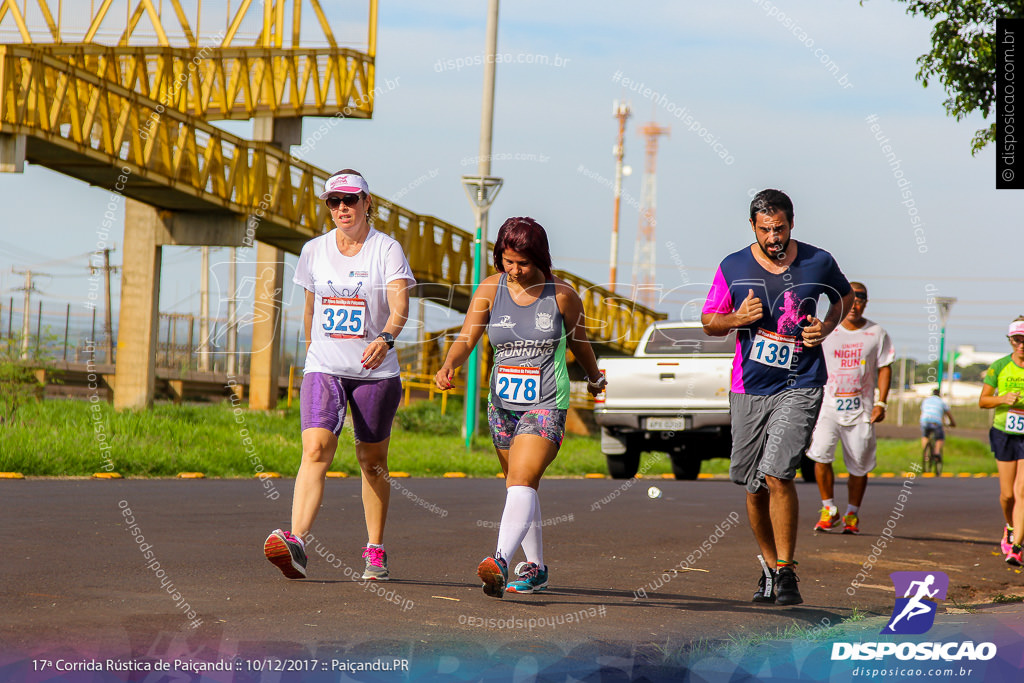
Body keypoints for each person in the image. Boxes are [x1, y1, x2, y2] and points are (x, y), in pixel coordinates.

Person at [434, 216, 606, 598]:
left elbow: (581, 344)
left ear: (540, 258)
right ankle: (536, 569)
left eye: (522, 263)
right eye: (507, 261)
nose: (514, 270)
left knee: (521, 480)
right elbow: (467, 337)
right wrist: (449, 364)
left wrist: (595, 378)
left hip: (546, 402)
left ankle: (499, 560)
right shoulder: (491, 289)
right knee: (521, 487)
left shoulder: (561, 295)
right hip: (503, 406)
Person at [701, 189, 852, 606]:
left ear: (792, 224)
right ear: (753, 226)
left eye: (780, 228)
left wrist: (826, 326)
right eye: (766, 230)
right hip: (749, 387)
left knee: (778, 471)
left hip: (801, 382)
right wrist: (736, 319)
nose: (774, 238)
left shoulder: (817, 260)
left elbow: (844, 296)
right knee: (751, 483)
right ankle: (769, 567)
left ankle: (787, 572)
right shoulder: (732, 266)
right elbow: (709, 321)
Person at [264, 170, 414, 581]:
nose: (342, 208)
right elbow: (311, 310)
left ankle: (375, 549)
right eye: (334, 202)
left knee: (372, 462)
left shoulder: (386, 249)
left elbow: (401, 304)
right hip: (325, 365)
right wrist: (312, 351)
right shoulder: (314, 250)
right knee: (315, 449)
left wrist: (385, 337)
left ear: (368, 202)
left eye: (350, 200)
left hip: (375, 371)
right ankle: (296, 542)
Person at [807, 282, 895, 535]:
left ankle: (852, 514)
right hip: (827, 406)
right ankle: (828, 509)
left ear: (866, 302)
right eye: (851, 299)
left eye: (861, 299)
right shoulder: (827, 329)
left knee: (859, 464)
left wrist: (881, 402)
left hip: (861, 409)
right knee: (820, 455)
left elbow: (885, 367)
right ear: (841, 301)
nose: (856, 304)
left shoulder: (876, 333)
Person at [978, 317, 1024, 565]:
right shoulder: (999, 366)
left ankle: (1017, 546)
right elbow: (983, 401)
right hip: (1004, 432)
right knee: (1007, 495)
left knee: (1022, 491)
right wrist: (1002, 399)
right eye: (1017, 339)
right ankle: (1009, 526)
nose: (1021, 344)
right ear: (1010, 340)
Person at [920, 388, 955, 463]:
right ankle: (936, 452)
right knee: (940, 438)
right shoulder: (941, 402)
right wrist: (952, 423)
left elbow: (923, 411)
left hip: (925, 420)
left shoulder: (926, 400)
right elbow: (948, 414)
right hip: (936, 421)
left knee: (925, 436)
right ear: (939, 395)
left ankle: (925, 455)